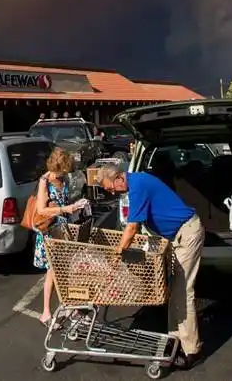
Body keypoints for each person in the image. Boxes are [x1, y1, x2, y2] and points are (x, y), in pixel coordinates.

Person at [98, 164, 204, 367]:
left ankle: (192, 350)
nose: (111, 192)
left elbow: (132, 227)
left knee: (183, 292)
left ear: (119, 178)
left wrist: (117, 255)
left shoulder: (138, 186)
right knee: (175, 291)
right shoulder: (136, 182)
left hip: (187, 234)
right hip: (177, 236)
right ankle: (175, 338)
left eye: (110, 188)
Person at [32, 147, 85, 328]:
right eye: (64, 170)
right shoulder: (45, 182)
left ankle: (63, 308)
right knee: (55, 271)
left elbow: (63, 200)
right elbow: (41, 210)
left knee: (60, 271)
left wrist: (74, 207)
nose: (65, 173)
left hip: (62, 230)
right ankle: (49, 311)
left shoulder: (62, 179)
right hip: (50, 233)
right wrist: (65, 209)